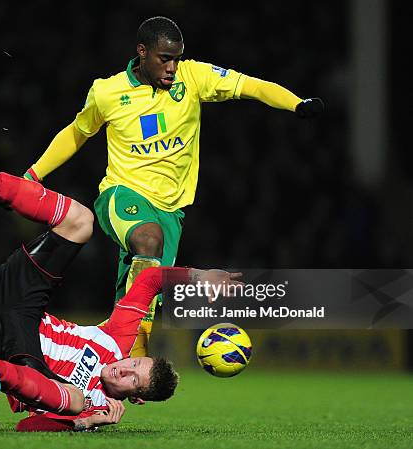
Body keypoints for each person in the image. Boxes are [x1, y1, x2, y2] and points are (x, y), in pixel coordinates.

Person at [22, 16, 324, 357]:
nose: (172, 66)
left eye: (177, 58)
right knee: (147, 240)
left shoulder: (193, 77)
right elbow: (78, 132)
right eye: (164, 58)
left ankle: (114, 355)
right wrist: (34, 174)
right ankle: (138, 351)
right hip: (121, 193)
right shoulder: (107, 91)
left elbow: (249, 85)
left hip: (171, 210)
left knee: (147, 287)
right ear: (142, 52)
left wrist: (296, 103)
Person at [0, 117, 243, 432]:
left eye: (132, 381)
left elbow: (27, 427)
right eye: (134, 365)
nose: (124, 371)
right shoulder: (117, 342)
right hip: (11, 300)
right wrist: (199, 276)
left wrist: (84, 421)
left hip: (0, 347)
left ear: (134, 397)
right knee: (81, 221)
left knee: (74, 399)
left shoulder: (98, 406)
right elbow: (149, 281)